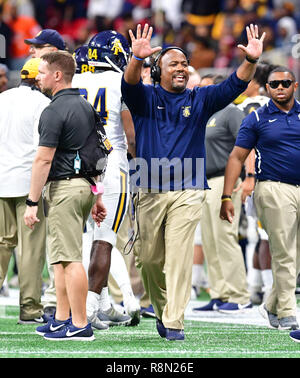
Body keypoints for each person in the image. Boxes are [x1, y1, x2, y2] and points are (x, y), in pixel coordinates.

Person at [121, 23, 265, 340]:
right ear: (157, 72)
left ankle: (174, 320)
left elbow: (233, 86)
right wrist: (135, 58)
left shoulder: (199, 99)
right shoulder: (144, 97)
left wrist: (251, 61)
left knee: (179, 255)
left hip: (188, 190)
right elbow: (129, 84)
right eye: (174, 64)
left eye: (185, 64)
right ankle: (162, 310)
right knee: (149, 261)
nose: (182, 69)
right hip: (148, 188)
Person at [24, 51, 107, 341]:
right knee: (60, 258)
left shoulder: (54, 110)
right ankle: (61, 318)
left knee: (70, 259)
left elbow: (43, 160)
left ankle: (80, 323)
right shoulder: (86, 106)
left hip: (66, 188)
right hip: (84, 186)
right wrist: (96, 194)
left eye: (43, 72)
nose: (38, 77)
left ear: (58, 75)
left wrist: (32, 202)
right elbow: (98, 154)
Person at [220, 66, 300, 332]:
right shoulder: (256, 118)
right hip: (274, 187)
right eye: (274, 83)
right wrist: (226, 195)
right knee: (284, 252)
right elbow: (237, 156)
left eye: (285, 83)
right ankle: (289, 312)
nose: (280, 87)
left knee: (295, 255)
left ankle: (272, 304)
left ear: (295, 85)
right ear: (267, 88)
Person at [72, 31, 139, 329]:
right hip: (110, 166)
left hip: (75, 167)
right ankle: (86, 311)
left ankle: (100, 305)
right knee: (105, 239)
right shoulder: (120, 83)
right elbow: (132, 137)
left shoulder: (74, 81)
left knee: (85, 236)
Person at [192, 74, 251, 314]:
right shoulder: (201, 115)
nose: (202, 94)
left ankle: (239, 294)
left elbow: (247, 146)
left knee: (225, 235)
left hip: (224, 179)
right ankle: (219, 293)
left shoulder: (230, 112)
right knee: (209, 239)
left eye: (207, 89)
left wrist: (249, 176)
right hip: (203, 181)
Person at [0, 58, 50, 323]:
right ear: (39, 79)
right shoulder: (43, 104)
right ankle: (30, 309)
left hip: (1, 180)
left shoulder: (3, 98)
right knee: (30, 250)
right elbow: (42, 148)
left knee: (0, 245)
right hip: (29, 184)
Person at [25, 28, 66, 320]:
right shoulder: (49, 90)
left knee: (65, 245)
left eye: (37, 47)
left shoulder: (61, 91)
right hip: (60, 176)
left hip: (64, 175)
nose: (31, 51)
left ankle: (64, 302)